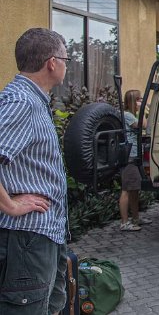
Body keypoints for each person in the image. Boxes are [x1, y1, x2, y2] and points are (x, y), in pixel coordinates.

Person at [0, 28, 68, 314]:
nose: (67, 64)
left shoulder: (33, 100)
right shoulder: (21, 103)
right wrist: (10, 205)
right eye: (66, 58)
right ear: (52, 62)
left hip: (43, 234)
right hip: (26, 238)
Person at [119, 89, 150, 231]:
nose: (141, 102)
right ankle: (124, 222)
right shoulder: (127, 116)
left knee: (134, 189)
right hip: (129, 157)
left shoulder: (130, 115)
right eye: (139, 100)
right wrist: (142, 110)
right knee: (126, 189)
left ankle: (135, 217)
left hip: (134, 156)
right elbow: (144, 125)